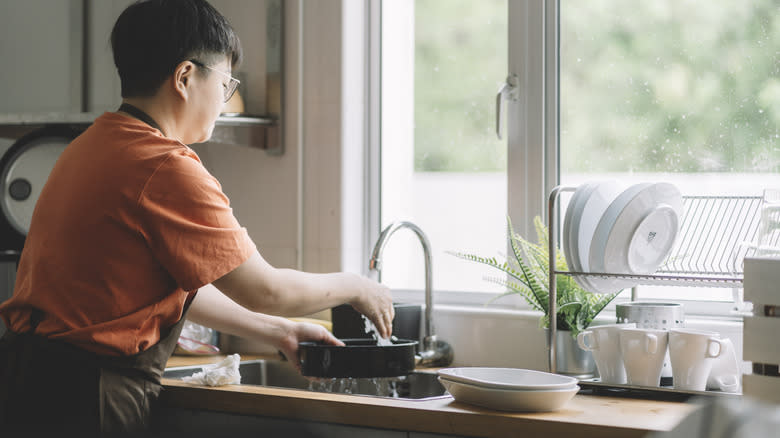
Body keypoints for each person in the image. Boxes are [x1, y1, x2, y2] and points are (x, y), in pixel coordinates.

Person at [0, 0, 393, 436]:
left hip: (30, 380)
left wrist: (277, 331)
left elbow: (179, 285)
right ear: (186, 77)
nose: (225, 101)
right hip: (90, 396)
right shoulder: (163, 166)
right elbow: (266, 289)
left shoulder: (90, 147)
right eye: (225, 84)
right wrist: (355, 286)